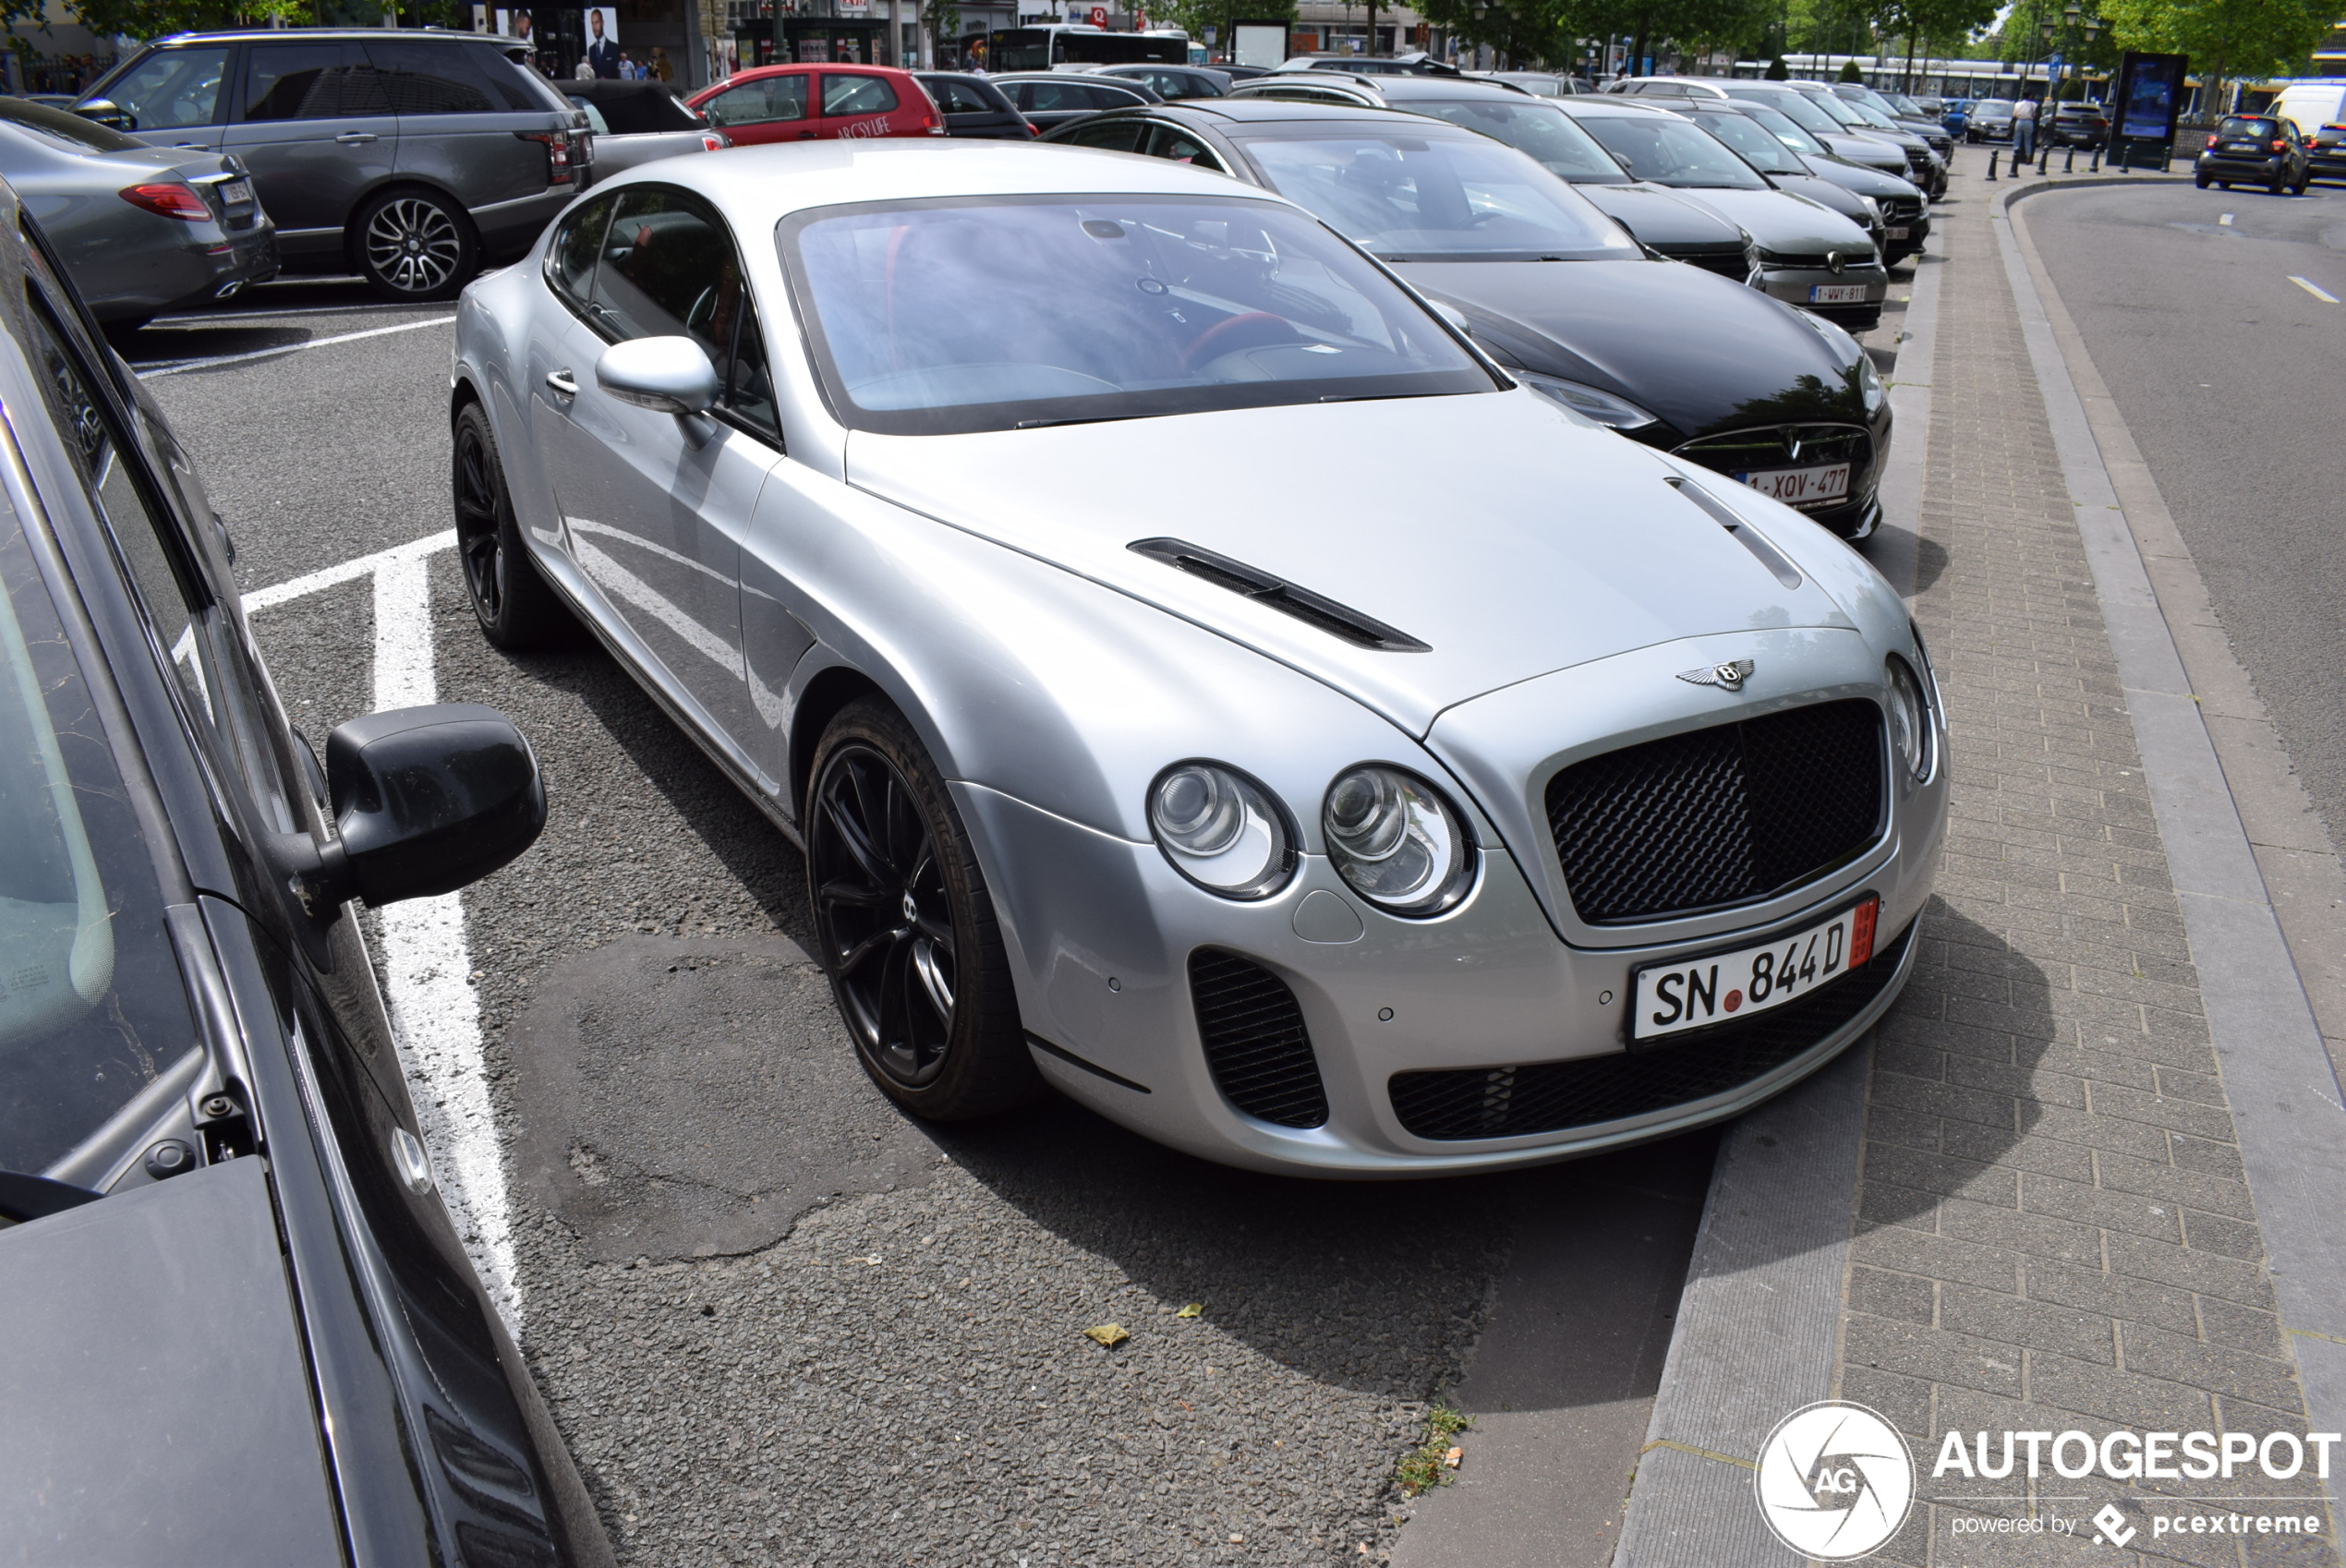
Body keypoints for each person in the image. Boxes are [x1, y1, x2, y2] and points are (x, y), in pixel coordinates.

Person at [586, 8, 622, 79]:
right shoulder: (591, 49)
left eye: (597, 22)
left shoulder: (613, 47)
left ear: (602, 23)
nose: (594, 26)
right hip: (596, 86)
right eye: (592, 23)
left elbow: (616, 69)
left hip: (611, 86)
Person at [2012, 94, 2038, 161]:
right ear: (2030, 96)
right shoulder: (2033, 104)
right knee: (2028, 140)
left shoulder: (2017, 104)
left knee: (2017, 139)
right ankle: (2028, 156)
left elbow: (2014, 115)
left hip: (2019, 121)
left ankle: (2015, 155)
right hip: (2029, 122)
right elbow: (2034, 114)